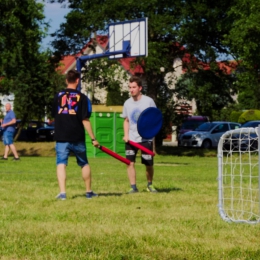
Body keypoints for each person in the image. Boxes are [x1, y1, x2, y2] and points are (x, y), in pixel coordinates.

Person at [52, 69, 99, 200]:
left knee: (61, 163)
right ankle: (89, 192)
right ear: (77, 81)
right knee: (84, 163)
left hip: (61, 136)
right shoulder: (83, 98)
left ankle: (62, 193)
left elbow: (54, 115)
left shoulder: (58, 96)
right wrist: (93, 138)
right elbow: (85, 119)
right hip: (77, 135)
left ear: (67, 80)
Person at [122, 75, 157, 193]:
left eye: (134, 87)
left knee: (148, 164)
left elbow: (155, 122)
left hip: (146, 138)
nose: (131, 90)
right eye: (130, 87)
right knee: (129, 163)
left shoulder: (148, 101)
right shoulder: (127, 103)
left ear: (140, 88)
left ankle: (150, 185)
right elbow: (126, 120)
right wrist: (126, 135)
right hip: (131, 139)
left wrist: (154, 144)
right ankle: (133, 187)